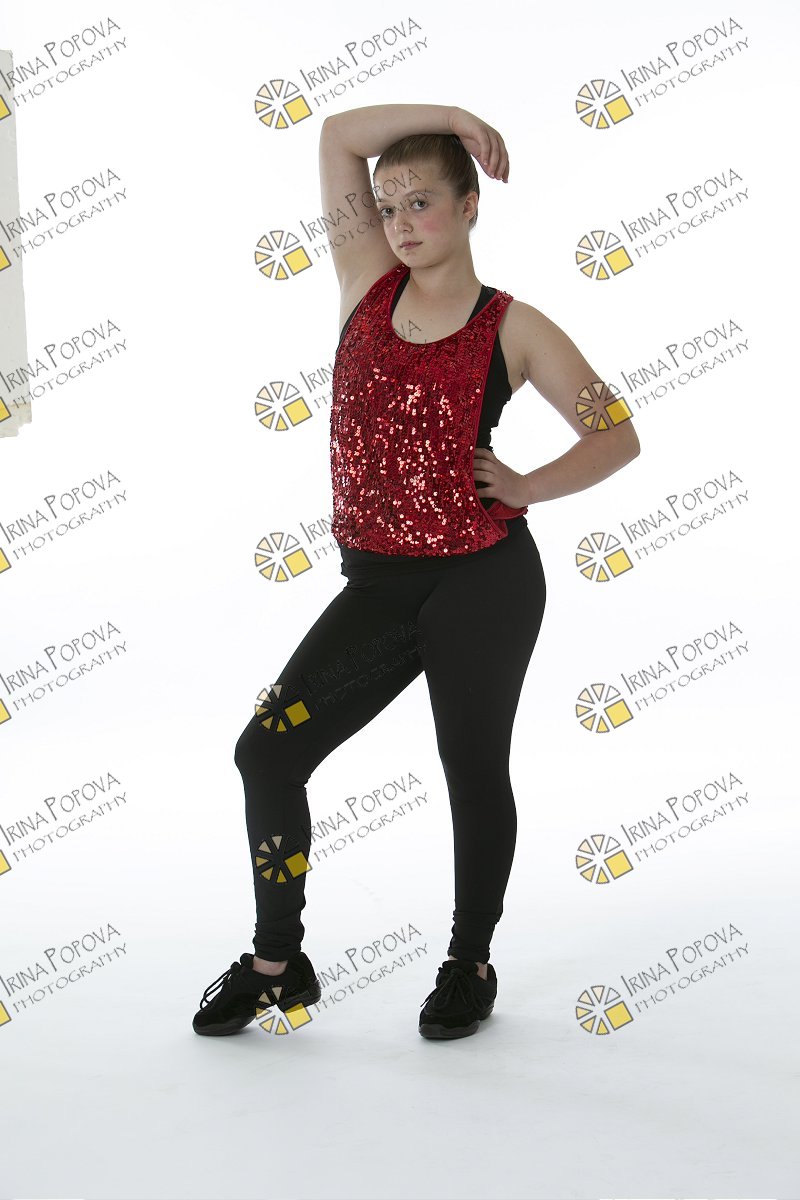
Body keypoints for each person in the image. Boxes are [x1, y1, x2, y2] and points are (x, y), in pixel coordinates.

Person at [193, 103, 640, 1041]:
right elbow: (336, 136)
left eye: (421, 201)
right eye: (388, 204)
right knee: (267, 752)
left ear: (470, 206)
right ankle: (278, 963)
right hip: (380, 586)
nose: (398, 221)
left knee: (471, 767)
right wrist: (451, 118)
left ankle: (468, 961)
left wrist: (527, 484)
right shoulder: (365, 282)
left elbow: (616, 434)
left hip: (484, 580)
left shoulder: (514, 326)